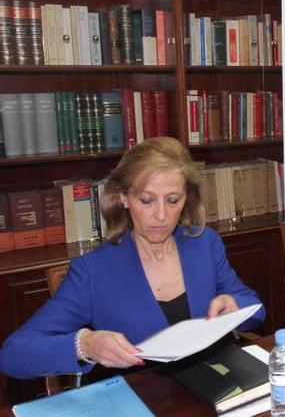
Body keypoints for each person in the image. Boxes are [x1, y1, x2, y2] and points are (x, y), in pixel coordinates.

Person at [0, 137, 264, 379]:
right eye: (146, 200)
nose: (161, 216)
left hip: (215, 385)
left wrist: (234, 304)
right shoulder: (94, 270)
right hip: (144, 398)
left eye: (173, 200)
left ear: (186, 199)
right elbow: (14, 354)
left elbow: (255, 309)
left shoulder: (204, 243)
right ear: (124, 197)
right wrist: (85, 344)